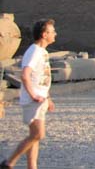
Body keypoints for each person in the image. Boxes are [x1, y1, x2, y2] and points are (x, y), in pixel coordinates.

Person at [3, 19, 56, 169]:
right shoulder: (34, 51)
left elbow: (42, 79)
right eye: (52, 32)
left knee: (34, 138)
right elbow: (25, 75)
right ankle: (9, 162)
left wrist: (48, 98)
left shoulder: (42, 52)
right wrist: (33, 95)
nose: (55, 34)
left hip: (40, 99)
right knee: (38, 134)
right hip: (33, 100)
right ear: (44, 34)